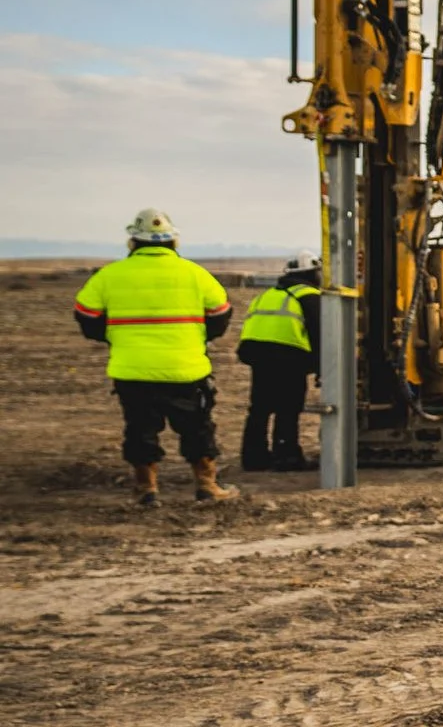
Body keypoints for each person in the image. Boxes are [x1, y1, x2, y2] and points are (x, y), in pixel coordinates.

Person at [73, 209, 237, 506]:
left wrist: (113, 336)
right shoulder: (196, 274)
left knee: (140, 429)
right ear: (173, 241)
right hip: (185, 368)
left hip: (132, 369)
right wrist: (198, 337)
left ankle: (146, 488)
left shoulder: (109, 276)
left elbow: (86, 315)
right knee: (197, 427)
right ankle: (207, 485)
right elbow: (221, 313)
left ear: (133, 242)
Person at [236, 262, 322, 472]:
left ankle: (253, 457)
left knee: (260, 407)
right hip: (288, 356)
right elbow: (320, 333)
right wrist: (322, 367)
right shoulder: (309, 296)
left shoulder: (268, 294)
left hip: (257, 354)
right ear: (312, 273)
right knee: (288, 407)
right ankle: (286, 456)